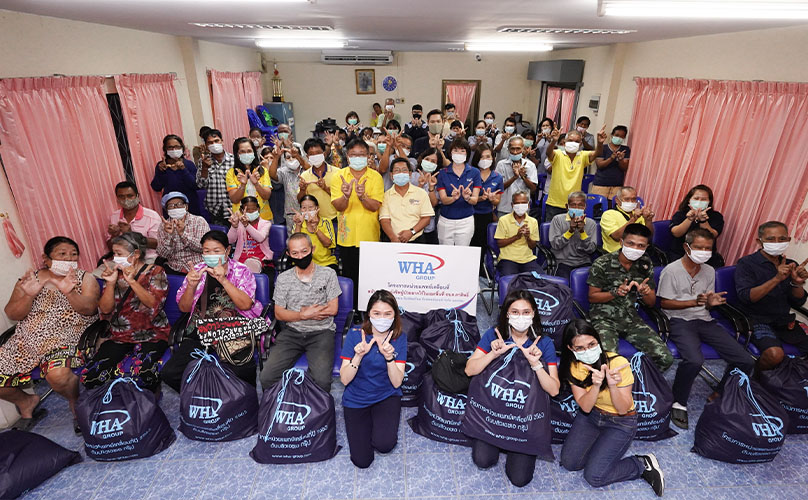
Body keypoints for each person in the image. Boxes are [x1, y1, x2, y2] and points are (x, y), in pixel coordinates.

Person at [658, 229, 755, 429]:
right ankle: (678, 401)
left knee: (745, 360)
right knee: (694, 360)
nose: (703, 252)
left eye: (707, 248)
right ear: (686, 247)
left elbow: (707, 304)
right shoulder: (671, 270)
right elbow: (665, 303)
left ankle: (720, 393)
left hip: (704, 319)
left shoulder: (709, 270)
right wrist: (694, 302)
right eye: (698, 247)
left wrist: (710, 303)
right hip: (678, 320)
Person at [1, 237, 99, 430]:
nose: (69, 258)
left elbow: (89, 309)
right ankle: (26, 402)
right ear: (46, 259)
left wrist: (70, 292)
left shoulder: (84, 278)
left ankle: (75, 403)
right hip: (26, 341)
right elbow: (12, 313)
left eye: (73, 254)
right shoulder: (29, 280)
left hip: (66, 337)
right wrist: (29, 295)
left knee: (58, 376)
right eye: (62, 254)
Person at [465, 290, 560, 487]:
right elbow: (470, 370)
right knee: (483, 460)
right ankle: (500, 443)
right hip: (493, 414)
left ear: (534, 313)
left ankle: (511, 445)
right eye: (515, 312)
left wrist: (536, 364)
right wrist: (492, 354)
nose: (520, 317)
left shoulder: (544, 343)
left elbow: (554, 390)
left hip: (523, 420)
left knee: (520, 479)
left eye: (526, 312)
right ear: (507, 314)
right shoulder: (494, 335)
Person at [559, 319, 665, 496]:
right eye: (580, 348)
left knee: (594, 477)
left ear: (598, 341)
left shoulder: (617, 363)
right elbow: (585, 407)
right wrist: (596, 385)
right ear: (571, 349)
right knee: (571, 464)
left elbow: (623, 409)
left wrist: (612, 385)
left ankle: (641, 464)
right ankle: (599, 450)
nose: (587, 351)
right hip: (591, 416)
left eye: (591, 344)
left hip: (620, 422)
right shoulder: (574, 366)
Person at [160, 230, 263, 391]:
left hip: (233, 329)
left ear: (227, 251)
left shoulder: (241, 271)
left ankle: (243, 399)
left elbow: (245, 305)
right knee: (170, 373)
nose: (211, 255)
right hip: (200, 330)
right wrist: (191, 286)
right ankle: (203, 396)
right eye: (207, 251)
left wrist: (223, 280)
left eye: (216, 251)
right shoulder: (197, 271)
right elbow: (184, 308)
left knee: (242, 371)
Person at [81, 232, 170, 394]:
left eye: (119, 254)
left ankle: (149, 401)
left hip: (152, 333)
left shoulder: (155, 271)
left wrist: (132, 282)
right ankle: (115, 402)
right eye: (114, 254)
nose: (115, 258)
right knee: (91, 376)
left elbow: (153, 305)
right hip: (119, 335)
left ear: (135, 254)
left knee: (144, 375)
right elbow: (105, 309)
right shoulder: (114, 273)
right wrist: (110, 283)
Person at [261, 233, 341, 392]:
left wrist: (305, 313)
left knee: (322, 382)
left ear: (312, 249)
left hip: (322, 332)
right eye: (295, 253)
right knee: (267, 377)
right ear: (289, 254)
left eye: (304, 251)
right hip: (292, 332)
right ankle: (282, 403)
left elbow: (333, 309)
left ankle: (314, 406)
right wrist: (302, 315)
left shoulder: (328, 274)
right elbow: (279, 313)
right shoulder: (283, 279)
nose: (300, 256)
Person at [587, 224, 673, 371]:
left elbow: (651, 303)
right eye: (630, 243)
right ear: (621, 242)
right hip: (604, 319)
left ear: (646, 247)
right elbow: (592, 297)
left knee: (665, 358)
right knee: (607, 362)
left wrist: (645, 292)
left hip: (631, 319)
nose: (635, 248)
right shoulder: (602, 263)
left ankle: (639, 381)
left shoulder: (645, 263)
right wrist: (615, 292)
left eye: (641, 246)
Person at [339, 290, 407, 468]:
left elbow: (397, 382)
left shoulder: (399, 338)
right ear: (369, 313)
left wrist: (389, 358)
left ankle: (377, 425)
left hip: (386, 395)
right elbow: (344, 380)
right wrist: (358, 356)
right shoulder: (355, 334)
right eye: (377, 313)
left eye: (387, 314)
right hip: (357, 398)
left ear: (395, 315)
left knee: (384, 445)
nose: (382, 318)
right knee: (362, 461)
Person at [736, 221, 808, 370]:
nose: (777, 243)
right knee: (775, 354)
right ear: (759, 241)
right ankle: (756, 379)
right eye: (770, 239)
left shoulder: (791, 264)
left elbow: (799, 301)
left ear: (788, 240)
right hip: (756, 320)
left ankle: (789, 379)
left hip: (783, 321)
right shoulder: (746, 263)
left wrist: (797, 283)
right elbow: (747, 297)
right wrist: (777, 279)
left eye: (782, 239)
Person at [330, 139, 384, 304]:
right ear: (347, 156)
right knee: (350, 277)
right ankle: (352, 309)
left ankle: (368, 309)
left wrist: (363, 197)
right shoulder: (338, 176)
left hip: (369, 236)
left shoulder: (375, 177)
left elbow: (375, 206)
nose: (358, 158)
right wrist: (346, 196)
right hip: (347, 237)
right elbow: (338, 206)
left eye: (361, 154)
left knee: (369, 278)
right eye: (354, 155)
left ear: (368, 156)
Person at [544, 126, 605, 222]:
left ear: (580, 144)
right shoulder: (558, 154)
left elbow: (597, 153)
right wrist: (554, 141)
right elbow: (548, 153)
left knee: (573, 229)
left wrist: (600, 143)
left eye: (577, 141)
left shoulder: (583, 156)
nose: (573, 143)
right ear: (565, 142)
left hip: (574, 204)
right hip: (555, 203)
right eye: (570, 140)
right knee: (552, 229)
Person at [436, 138, 481, 246]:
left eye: (462, 151)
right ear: (450, 152)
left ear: (467, 153)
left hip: (465, 221)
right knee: (445, 253)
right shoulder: (443, 173)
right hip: (446, 221)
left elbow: (475, 200)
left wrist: (467, 198)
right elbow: (443, 199)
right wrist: (453, 198)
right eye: (455, 150)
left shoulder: (474, 172)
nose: (459, 153)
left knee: (463, 253)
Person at [379, 157, 434, 244]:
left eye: (404, 170)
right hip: (392, 240)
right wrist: (393, 237)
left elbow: (426, 218)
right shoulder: (386, 196)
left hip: (416, 240)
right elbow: (384, 220)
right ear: (391, 175)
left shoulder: (421, 193)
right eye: (397, 170)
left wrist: (411, 232)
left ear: (410, 174)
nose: (401, 173)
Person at [668, 185, 724, 267]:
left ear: (709, 201)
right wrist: (689, 219)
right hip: (681, 254)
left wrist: (703, 221)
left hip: (706, 256)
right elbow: (676, 233)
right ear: (689, 200)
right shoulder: (681, 214)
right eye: (696, 198)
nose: (699, 201)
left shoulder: (716, 216)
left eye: (703, 199)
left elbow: (713, 235)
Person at [156, 191, 210, 274]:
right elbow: (162, 254)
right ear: (167, 210)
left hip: (198, 266)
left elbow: (204, 248)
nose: (176, 207)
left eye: (179, 204)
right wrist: (170, 236)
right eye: (171, 206)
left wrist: (183, 234)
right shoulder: (164, 226)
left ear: (186, 207)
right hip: (174, 267)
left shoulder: (199, 221)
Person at [107, 181, 161, 262]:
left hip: (147, 259)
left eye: (130, 196)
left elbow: (158, 244)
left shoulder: (152, 216)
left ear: (137, 196)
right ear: (117, 198)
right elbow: (110, 247)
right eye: (121, 196)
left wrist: (131, 234)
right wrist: (114, 235)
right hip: (122, 260)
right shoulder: (114, 216)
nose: (126, 199)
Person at [550, 191, 598, 280]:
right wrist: (570, 231)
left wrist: (582, 232)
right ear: (567, 206)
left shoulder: (591, 223)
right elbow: (555, 245)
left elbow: (591, 249)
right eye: (573, 205)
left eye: (580, 205)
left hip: (583, 261)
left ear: (585, 207)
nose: (577, 208)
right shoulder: (557, 220)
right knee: (563, 285)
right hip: (562, 262)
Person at [470, 143, 503, 272]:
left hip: (486, 215)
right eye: (482, 157)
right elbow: (466, 198)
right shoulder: (471, 174)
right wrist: (480, 198)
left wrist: (492, 199)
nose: (485, 160)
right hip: (470, 214)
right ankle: (469, 268)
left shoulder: (497, 177)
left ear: (493, 158)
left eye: (488, 156)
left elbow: (497, 201)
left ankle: (479, 269)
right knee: (471, 244)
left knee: (483, 244)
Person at [150, 134, 201, 216]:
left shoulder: (189, 164)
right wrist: (161, 172)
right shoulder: (161, 165)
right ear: (165, 149)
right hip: (171, 207)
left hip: (190, 206)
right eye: (170, 147)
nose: (174, 150)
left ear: (182, 148)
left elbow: (196, 186)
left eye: (177, 147)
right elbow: (156, 187)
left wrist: (183, 169)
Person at [226, 137, 273, 222]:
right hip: (241, 219)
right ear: (237, 154)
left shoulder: (262, 171)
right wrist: (242, 185)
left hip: (263, 218)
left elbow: (266, 196)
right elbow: (234, 199)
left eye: (249, 151)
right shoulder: (231, 173)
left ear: (254, 152)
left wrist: (256, 184)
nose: (246, 154)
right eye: (242, 152)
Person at [494, 192, 541, 275]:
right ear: (512, 205)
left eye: (523, 203)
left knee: (539, 279)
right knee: (510, 280)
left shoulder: (533, 221)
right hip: (508, 259)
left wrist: (527, 237)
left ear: (528, 205)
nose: (520, 206)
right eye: (517, 203)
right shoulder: (503, 220)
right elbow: (499, 243)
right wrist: (516, 236)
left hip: (527, 260)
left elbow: (533, 246)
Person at [269, 135, 308, 234]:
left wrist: (297, 156)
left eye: (293, 156)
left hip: (309, 211)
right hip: (291, 213)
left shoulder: (305, 169)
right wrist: (276, 157)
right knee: (294, 239)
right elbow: (272, 175)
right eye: (288, 157)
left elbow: (310, 169)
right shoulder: (284, 171)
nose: (291, 159)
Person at [196, 128, 234, 227]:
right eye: (210, 142)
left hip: (233, 207)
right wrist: (205, 168)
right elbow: (200, 185)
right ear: (206, 145)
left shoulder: (233, 160)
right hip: (214, 210)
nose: (214, 144)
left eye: (216, 141)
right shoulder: (203, 161)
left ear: (222, 141)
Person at [299, 138, 338, 232]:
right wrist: (302, 190)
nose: (315, 156)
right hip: (313, 220)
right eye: (311, 154)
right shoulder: (304, 175)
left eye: (318, 153)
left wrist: (325, 188)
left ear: (324, 154)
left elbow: (341, 197)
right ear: (307, 156)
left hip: (334, 219)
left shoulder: (337, 172)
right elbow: (300, 200)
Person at [600, 186, 655, 253]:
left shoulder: (639, 214)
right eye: (627, 199)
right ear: (617, 200)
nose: (630, 202)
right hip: (617, 253)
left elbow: (649, 236)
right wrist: (634, 219)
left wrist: (648, 220)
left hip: (638, 251)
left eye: (633, 199)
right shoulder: (609, 214)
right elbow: (616, 237)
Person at [228, 196, 274, 275]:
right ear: (241, 211)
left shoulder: (265, 223)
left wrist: (247, 225)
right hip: (241, 261)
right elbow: (230, 240)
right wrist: (234, 226)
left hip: (262, 260)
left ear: (258, 209)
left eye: (253, 209)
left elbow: (260, 238)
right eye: (247, 210)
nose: (251, 212)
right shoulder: (238, 224)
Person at [495, 135, 538, 218]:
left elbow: (533, 189)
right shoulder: (501, 164)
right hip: (505, 207)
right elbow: (499, 187)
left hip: (523, 207)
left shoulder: (530, 165)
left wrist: (523, 176)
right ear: (508, 149)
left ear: (523, 149)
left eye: (518, 149)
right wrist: (514, 177)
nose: (515, 152)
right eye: (512, 149)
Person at [293, 195, 337, 271]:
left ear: (317, 208)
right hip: (303, 262)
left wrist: (315, 228)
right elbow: (295, 245)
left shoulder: (326, 222)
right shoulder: (298, 224)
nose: (307, 211)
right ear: (300, 210)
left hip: (325, 263)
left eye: (310, 207)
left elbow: (327, 244)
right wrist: (298, 225)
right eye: (304, 208)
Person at [590, 126, 631, 201]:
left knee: (613, 205)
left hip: (617, 184)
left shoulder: (625, 150)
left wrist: (620, 159)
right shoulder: (602, 148)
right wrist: (611, 159)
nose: (619, 138)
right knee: (597, 205)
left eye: (622, 136)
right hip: (601, 183)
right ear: (612, 135)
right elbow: (599, 165)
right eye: (617, 135)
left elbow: (624, 168)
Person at [412, 148, 443, 244]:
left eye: (433, 161)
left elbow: (434, 203)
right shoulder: (412, 176)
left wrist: (431, 187)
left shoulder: (438, 180)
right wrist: (420, 185)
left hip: (428, 226)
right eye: (427, 159)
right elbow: (411, 200)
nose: (429, 162)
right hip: (411, 222)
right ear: (422, 159)